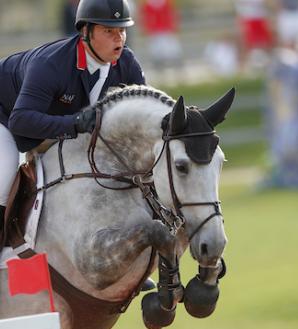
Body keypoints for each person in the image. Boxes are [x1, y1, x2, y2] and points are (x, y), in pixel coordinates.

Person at [0, 0, 145, 248]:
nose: (118, 38)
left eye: (121, 30)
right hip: (5, 114)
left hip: (46, 124)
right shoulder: (51, 64)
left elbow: (141, 113)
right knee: (3, 178)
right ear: (85, 32)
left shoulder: (127, 64)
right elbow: (21, 121)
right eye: (108, 31)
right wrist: (75, 123)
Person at [139, 0, 182, 68]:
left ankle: (177, 66)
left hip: (166, 30)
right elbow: (145, 17)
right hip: (154, 32)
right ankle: (159, 67)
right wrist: (146, 28)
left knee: (173, 50)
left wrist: (173, 27)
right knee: (156, 51)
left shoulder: (167, 3)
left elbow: (172, 14)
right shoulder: (148, 4)